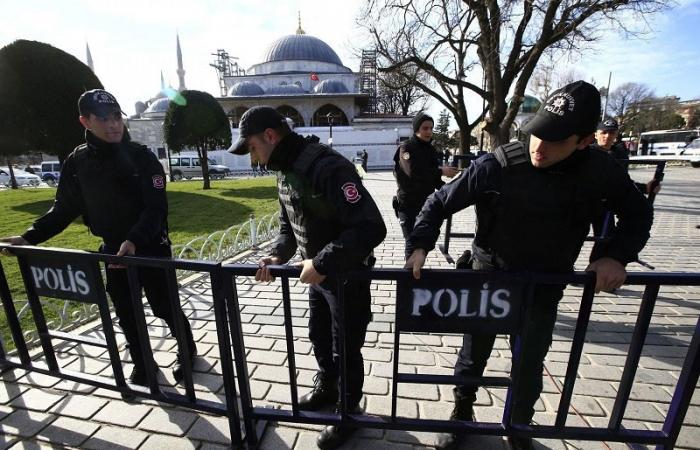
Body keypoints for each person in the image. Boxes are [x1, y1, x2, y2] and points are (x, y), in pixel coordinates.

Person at [404, 81, 653, 450]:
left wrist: (614, 255)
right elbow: (439, 202)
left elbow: (638, 213)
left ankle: (519, 425)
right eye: (537, 133)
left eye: (555, 139)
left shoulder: (600, 170)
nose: (539, 146)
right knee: (473, 356)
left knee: (530, 361)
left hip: (544, 284)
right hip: (489, 281)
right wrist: (419, 246)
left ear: (584, 141)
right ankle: (462, 413)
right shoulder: (498, 164)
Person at [0, 89, 197, 398]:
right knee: (126, 309)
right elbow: (63, 209)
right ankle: (142, 362)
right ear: (85, 121)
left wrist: (134, 239)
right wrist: (29, 236)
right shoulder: (77, 161)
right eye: (103, 119)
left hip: (150, 246)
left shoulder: (142, 157)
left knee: (164, 305)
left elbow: (156, 209)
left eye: (116, 117)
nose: (113, 124)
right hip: (112, 250)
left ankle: (187, 350)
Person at [229, 106, 386, 450]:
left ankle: (348, 412)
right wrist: (277, 255)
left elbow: (371, 227)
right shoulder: (285, 169)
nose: (253, 158)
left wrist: (323, 262)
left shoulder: (328, 167)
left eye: (252, 147)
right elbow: (289, 225)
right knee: (319, 335)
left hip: (346, 275)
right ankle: (328, 387)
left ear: (270, 136)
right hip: (317, 274)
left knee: (346, 346)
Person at [393, 112, 459, 258]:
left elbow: (435, 180)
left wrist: (453, 188)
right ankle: (408, 273)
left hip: (427, 205)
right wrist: (441, 171)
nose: (429, 131)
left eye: (431, 128)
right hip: (408, 205)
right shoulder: (406, 148)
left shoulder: (431, 150)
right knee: (411, 243)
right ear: (417, 129)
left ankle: (416, 272)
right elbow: (413, 173)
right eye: (425, 128)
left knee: (421, 245)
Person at [591, 118, 660, 241]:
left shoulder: (618, 155)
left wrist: (646, 188)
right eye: (604, 133)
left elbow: (623, 182)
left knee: (606, 239)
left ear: (616, 135)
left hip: (607, 204)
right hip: (586, 201)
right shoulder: (587, 153)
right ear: (596, 135)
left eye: (611, 133)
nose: (607, 136)